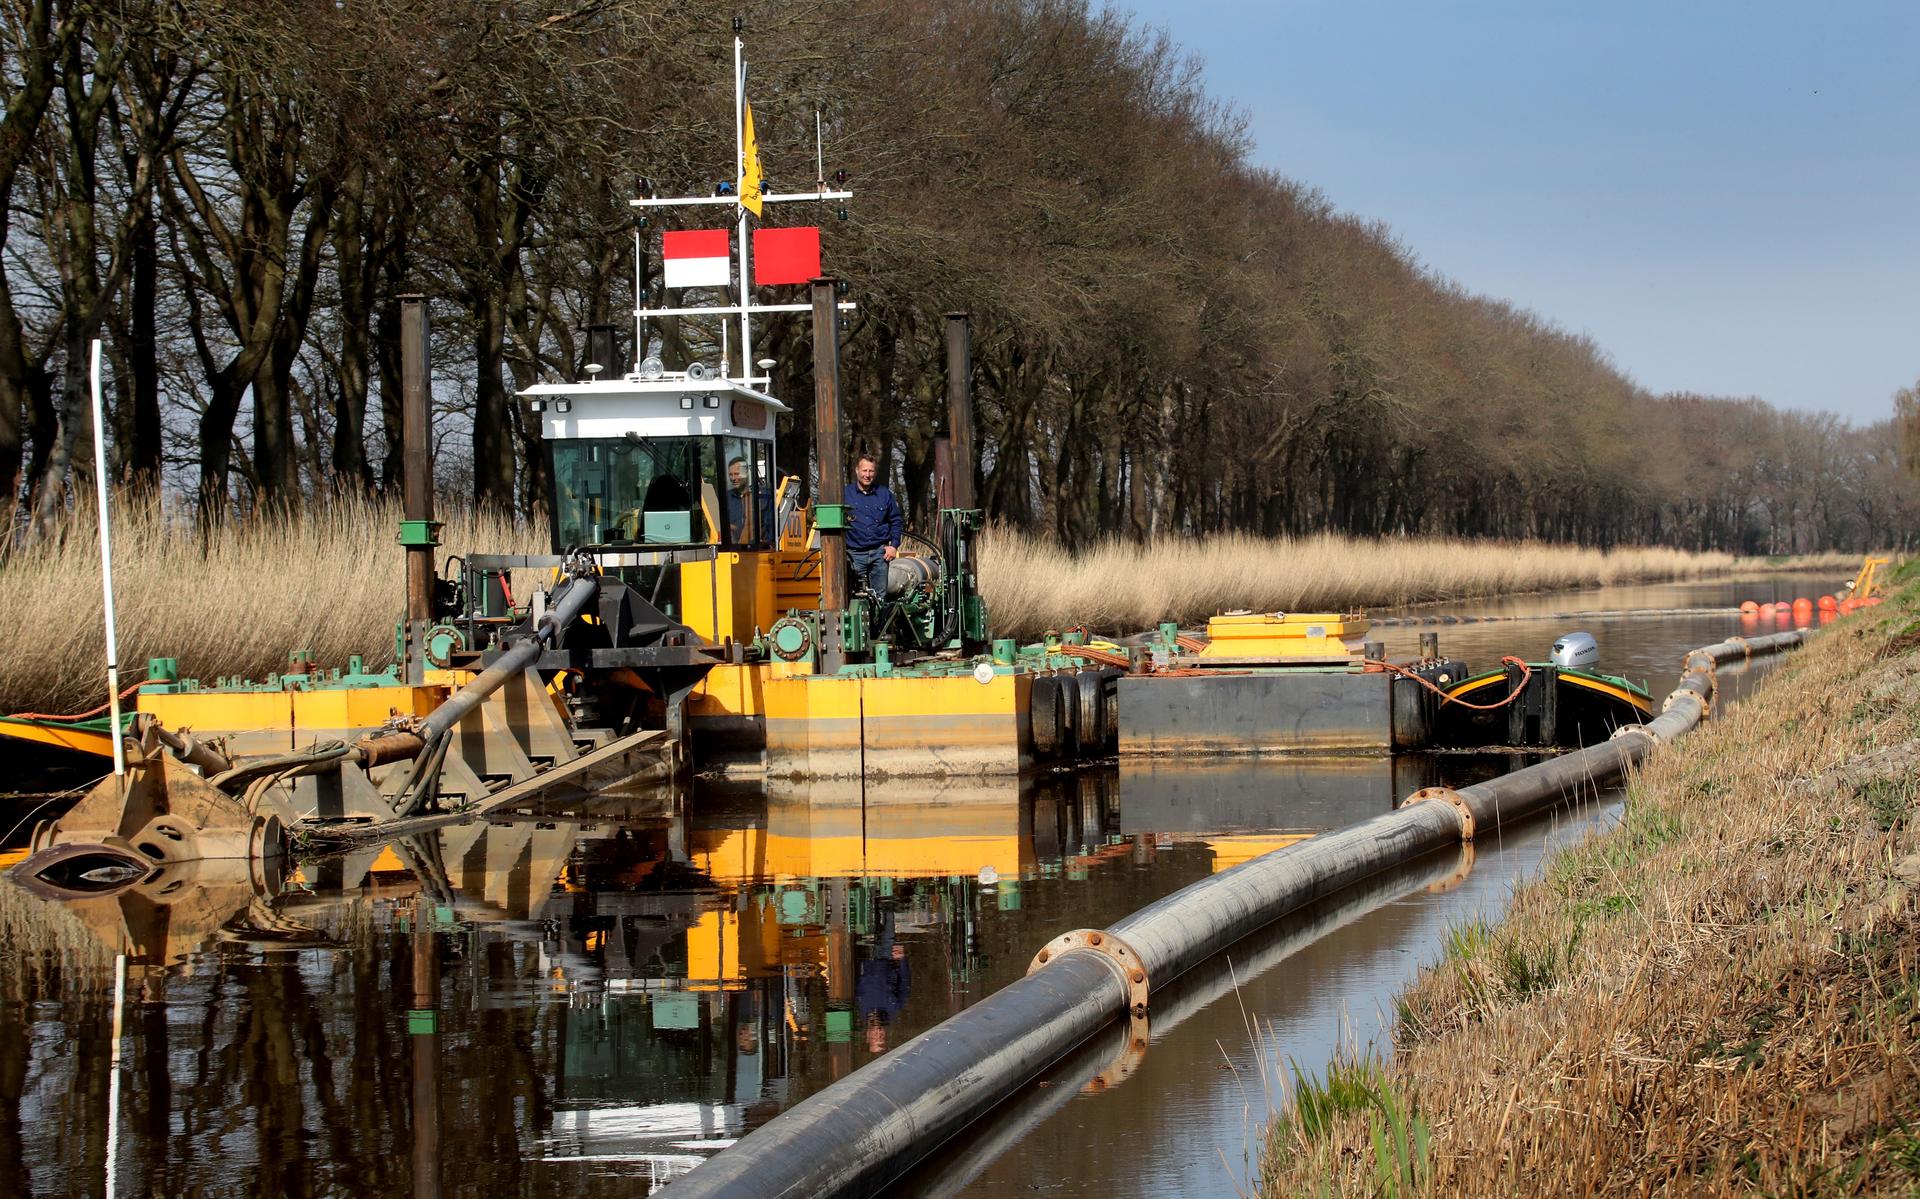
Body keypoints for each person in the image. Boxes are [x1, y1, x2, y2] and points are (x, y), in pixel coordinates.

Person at [843, 453, 903, 598]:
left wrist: (893, 546)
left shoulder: (885, 494)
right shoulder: (845, 494)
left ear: (875, 472)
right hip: (854, 555)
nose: (867, 475)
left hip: (880, 555)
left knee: (879, 597)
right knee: (855, 598)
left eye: (871, 471)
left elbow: (896, 521)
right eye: (864, 471)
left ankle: (879, 620)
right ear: (857, 471)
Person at [726, 456, 772, 544]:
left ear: (746, 474)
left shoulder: (763, 497)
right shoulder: (727, 498)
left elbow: (769, 526)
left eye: (736, 474)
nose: (733, 478)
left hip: (757, 550)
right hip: (732, 549)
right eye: (730, 475)